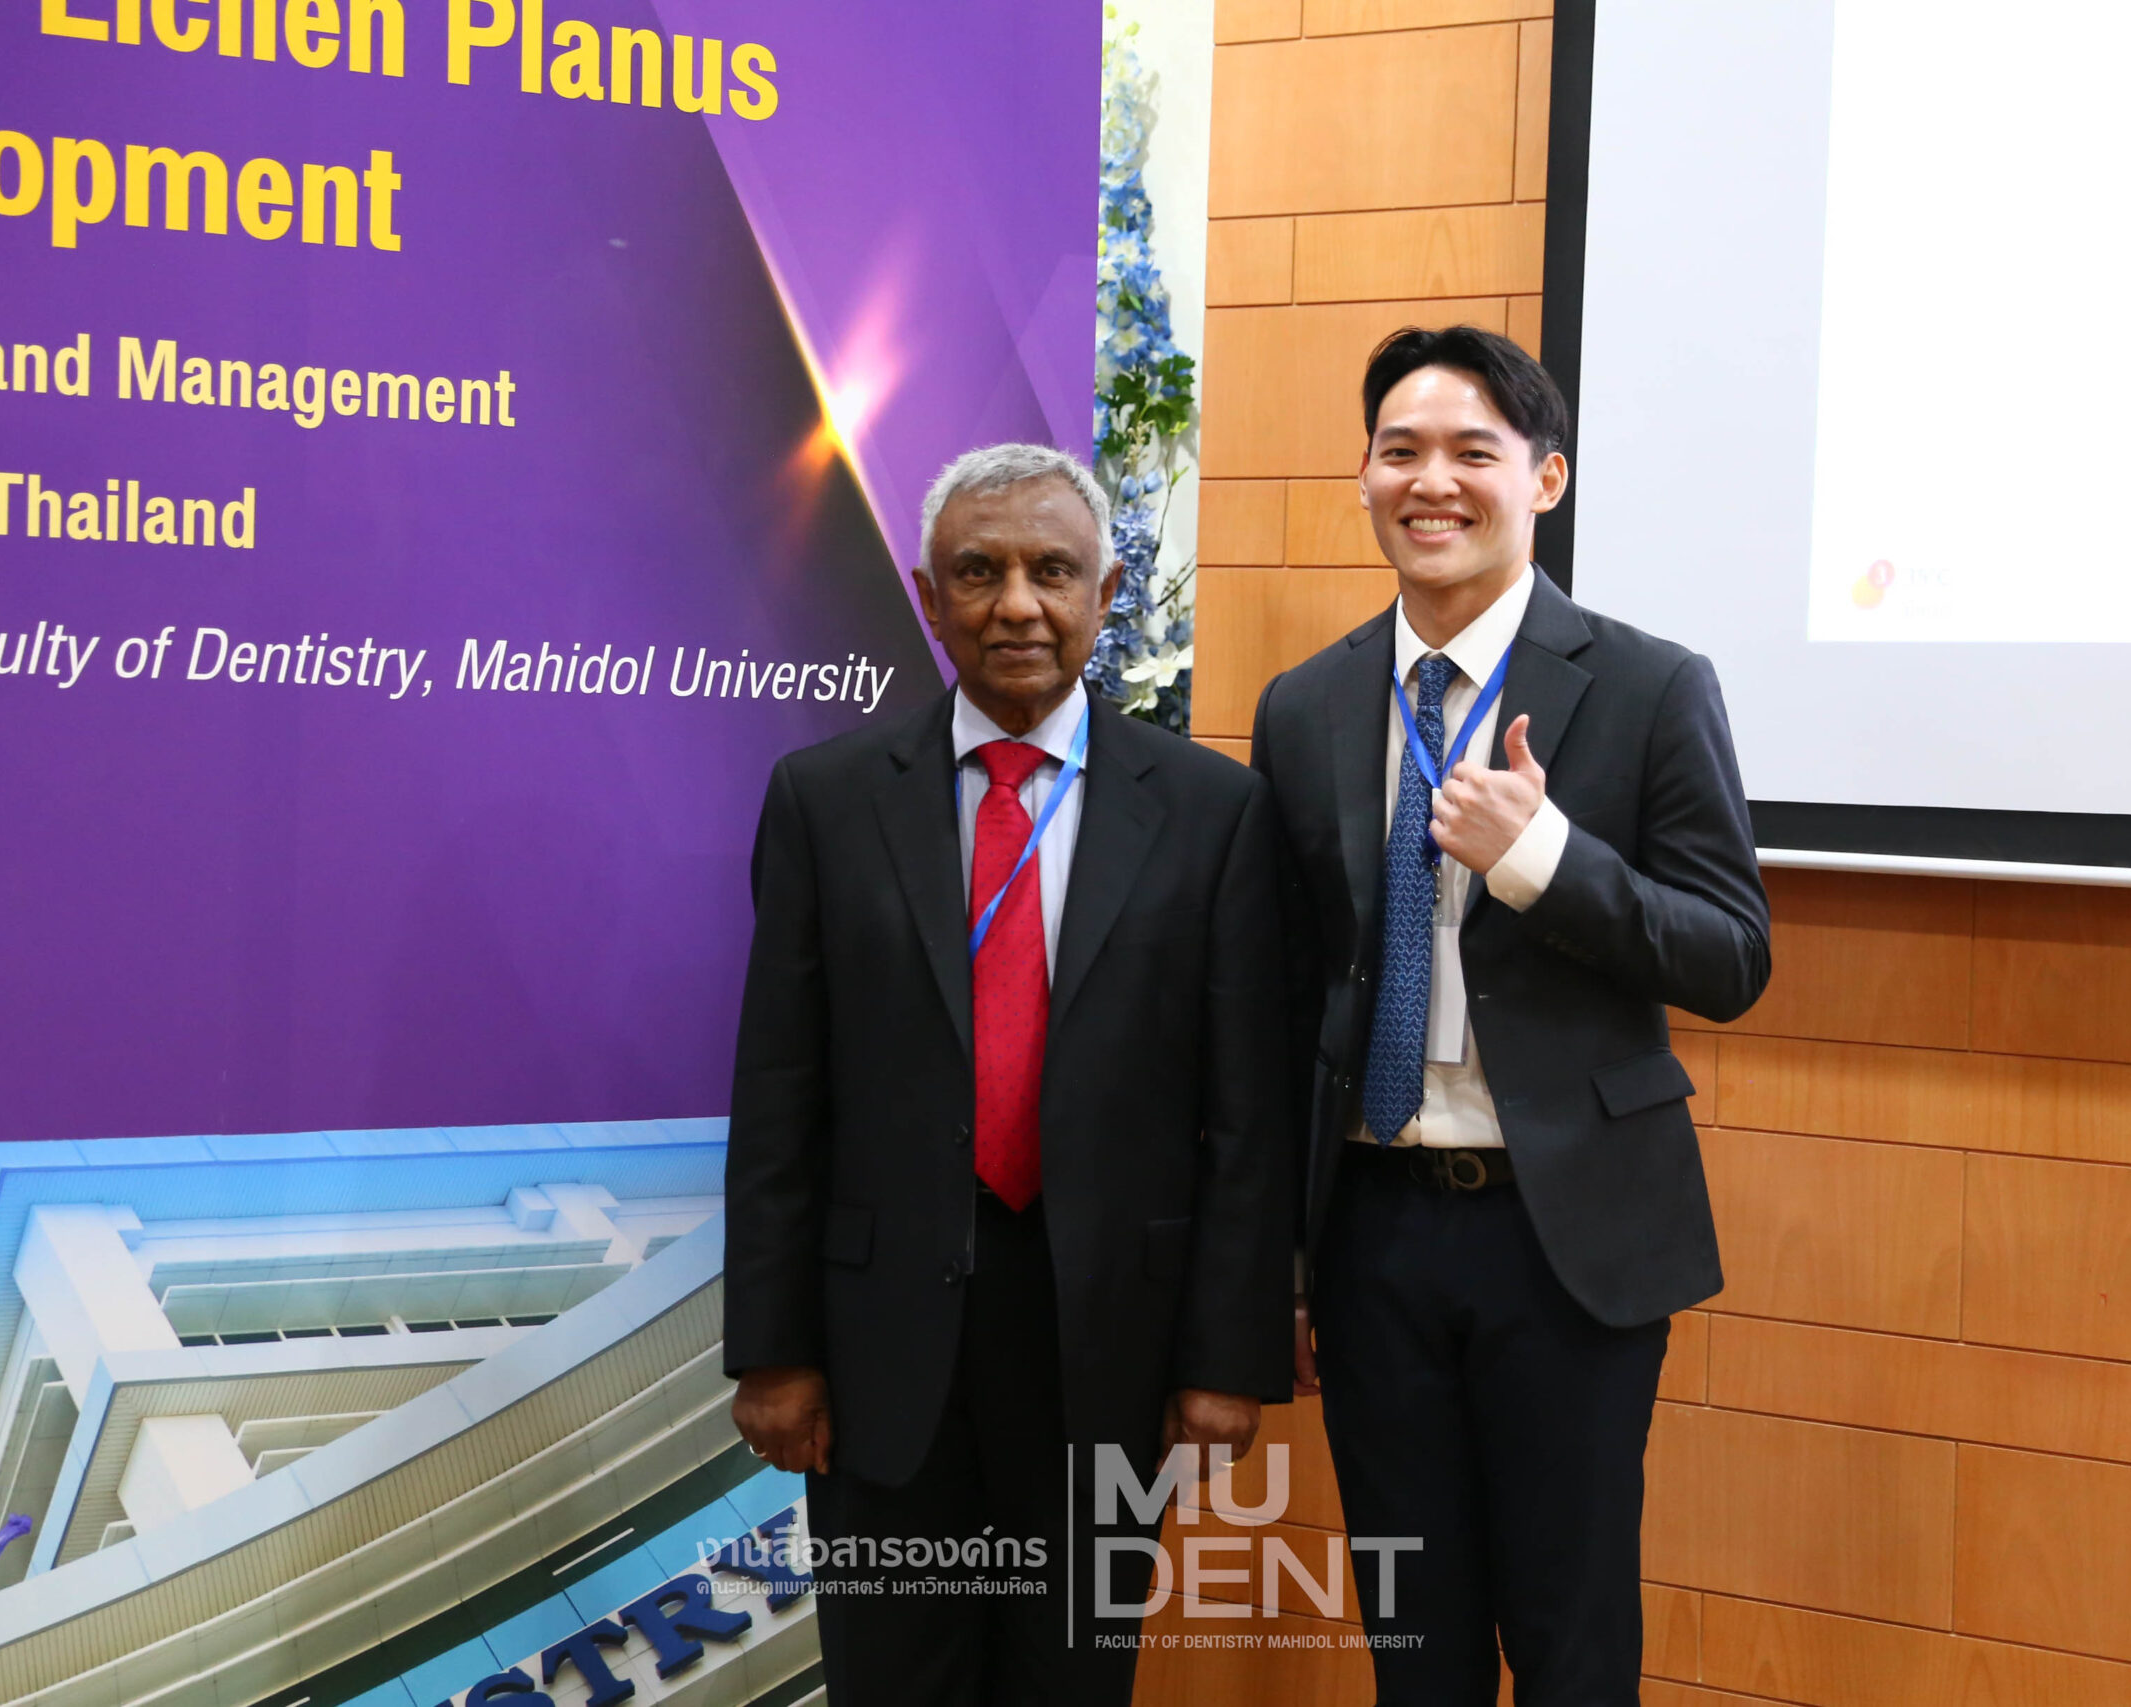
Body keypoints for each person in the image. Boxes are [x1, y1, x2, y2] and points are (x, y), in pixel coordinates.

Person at [722, 443, 1294, 1707]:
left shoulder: (1212, 811)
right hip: (878, 1348)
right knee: (892, 1682)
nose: (1017, 605)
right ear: (929, 598)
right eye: (978, 573)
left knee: (1072, 1681)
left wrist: (1225, 1358)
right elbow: (779, 1095)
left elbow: (1246, 1117)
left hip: (1110, 1340)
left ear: (1106, 591)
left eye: (1053, 571)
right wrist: (772, 1349)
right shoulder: (825, 801)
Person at [1252, 326, 1771, 1705]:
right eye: (1400, 451)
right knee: (1413, 1649)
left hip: (1565, 1242)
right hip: (1372, 1234)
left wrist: (1542, 858)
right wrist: (1283, 1260)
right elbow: (1285, 1003)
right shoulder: (1305, 707)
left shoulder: (1650, 685)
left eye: (1471, 452)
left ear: (1544, 478)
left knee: (1570, 1639)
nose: (1432, 482)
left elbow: (1730, 956)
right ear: (1365, 475)